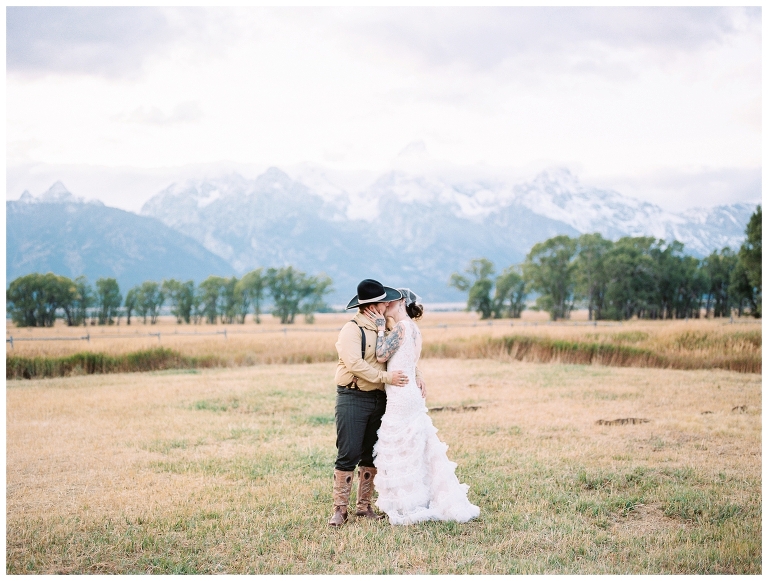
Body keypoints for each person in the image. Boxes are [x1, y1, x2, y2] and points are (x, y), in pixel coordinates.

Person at [364, 288, 480, 525]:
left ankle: (409, 503)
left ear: (402, 302)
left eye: (390, 300)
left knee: (400, 445)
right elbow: (408, 360)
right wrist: (419, 376)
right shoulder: (413, 329)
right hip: (409, 392)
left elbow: (381, 355)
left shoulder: (401, 327)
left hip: (401, 394)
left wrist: (379, 328)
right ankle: (418, 498)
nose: (386, 304)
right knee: (414, 446)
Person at [329, 279, 427, 527]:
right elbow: (355, 364)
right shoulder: (352, 329)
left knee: (372, 453)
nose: (387, 304)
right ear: (375, 306)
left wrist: (417, 374)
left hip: (381, 398)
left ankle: (364, 507)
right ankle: (340, 509)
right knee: (348, 452)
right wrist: (386, 378)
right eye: (384, 301)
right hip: (354, 396)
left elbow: (400, 355)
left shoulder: (387, 327)